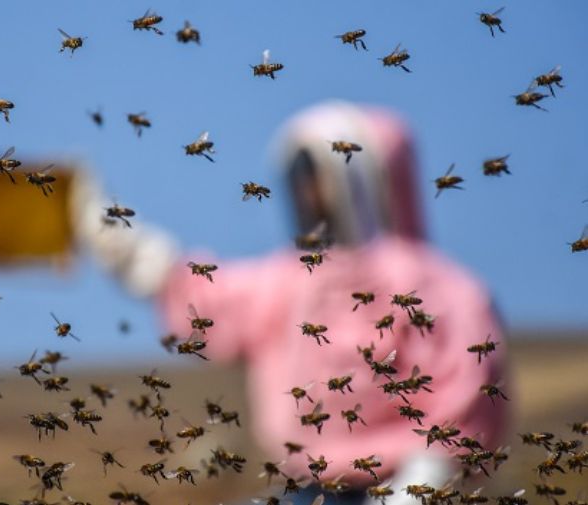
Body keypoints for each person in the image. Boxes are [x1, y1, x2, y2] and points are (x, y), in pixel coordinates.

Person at [71, 101, 508, 505]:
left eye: (314, 176)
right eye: (298, 179)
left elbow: (467, 392)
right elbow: (194, 291)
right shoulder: (286, 283)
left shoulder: (436, 286)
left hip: (405, 485)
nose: (306, 193)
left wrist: (425, 477)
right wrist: (109, 230)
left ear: (356, 177)